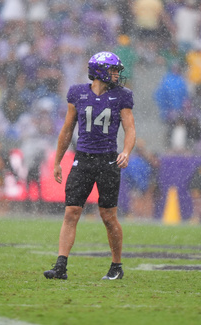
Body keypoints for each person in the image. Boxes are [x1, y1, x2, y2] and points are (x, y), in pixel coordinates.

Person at [44, 51, 136, 280]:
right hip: (83, 159)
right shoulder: (77, 93)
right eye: (113, 70)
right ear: (100, 72)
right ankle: (61, 266)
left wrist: (126, 151)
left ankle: (116, 266)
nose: (117, 75)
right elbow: (67, 129)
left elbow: (130, 128)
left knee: (108, 216)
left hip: (108, 159)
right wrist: (57, 160)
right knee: (71, 212)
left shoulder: (122, 96)